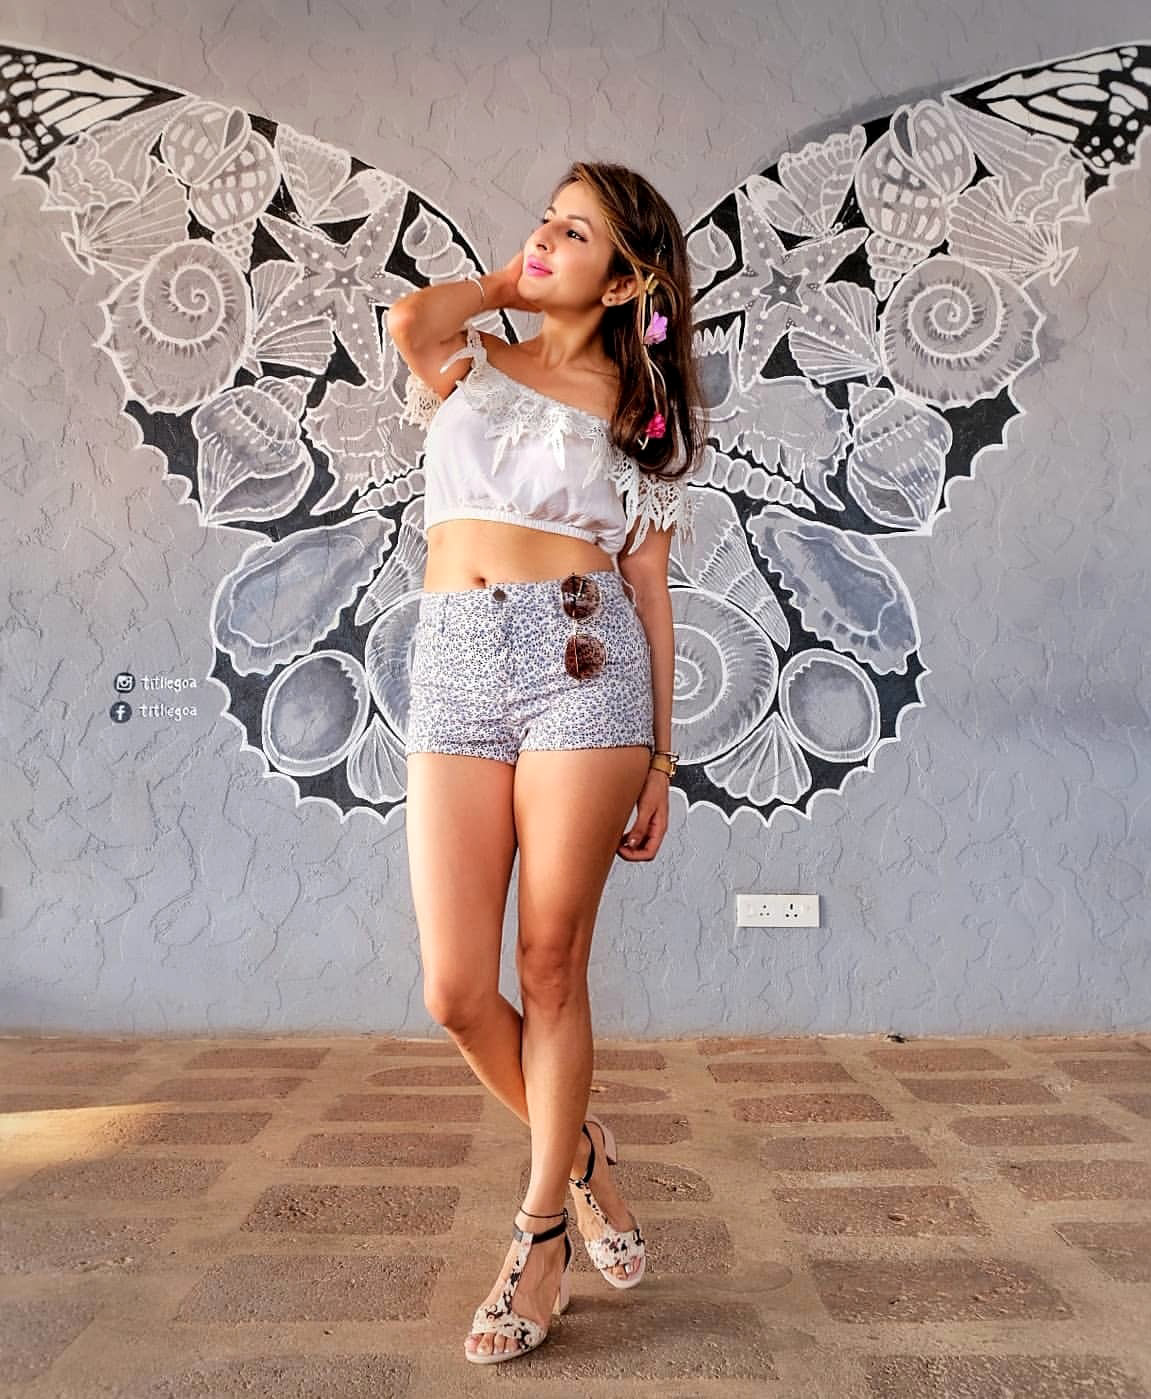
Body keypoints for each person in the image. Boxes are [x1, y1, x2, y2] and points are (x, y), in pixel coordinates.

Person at [386, 159, 705, 1365]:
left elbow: (650, 589)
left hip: (584, 663)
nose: (546, 238)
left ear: (625, 281)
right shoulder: (470, 360)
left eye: (577, 233)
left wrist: (663, 756)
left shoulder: (642, 417)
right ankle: (581, 1153)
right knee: (455, 990)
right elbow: (410, 321)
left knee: (550, 962)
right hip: (454, 663)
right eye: (547, 220)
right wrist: (504, 282)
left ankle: (538, 1238)